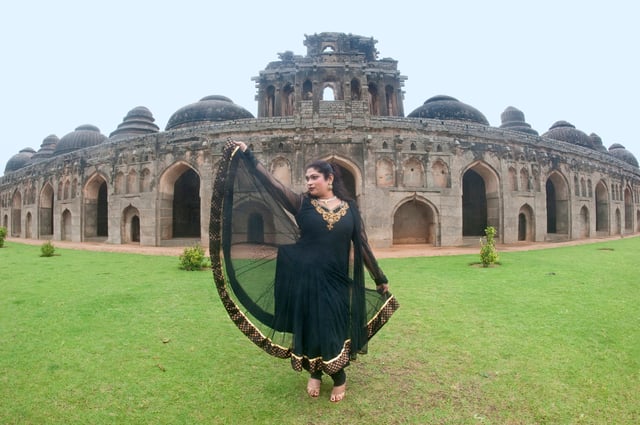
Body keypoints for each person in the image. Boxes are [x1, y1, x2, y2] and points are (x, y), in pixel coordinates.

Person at [222, 140, 398, 403]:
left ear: (330, 179)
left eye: (314, 177)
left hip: (335, 279)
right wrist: (249, 156)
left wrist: (379, 277)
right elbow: (272, 184)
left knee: (332, 326)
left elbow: (362, 246)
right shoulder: (302, 203)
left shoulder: (350, 209)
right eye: (306, 178)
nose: (309, 182)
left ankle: (339, 377)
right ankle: (314, 372)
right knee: (310, 325)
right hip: (303, 277)